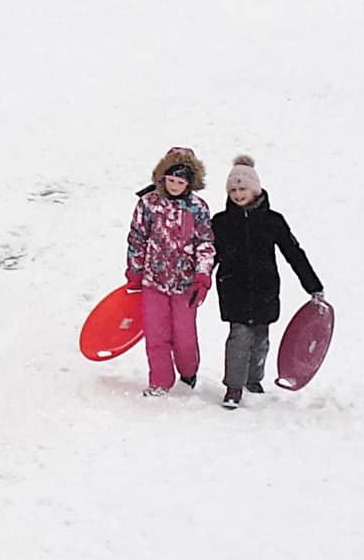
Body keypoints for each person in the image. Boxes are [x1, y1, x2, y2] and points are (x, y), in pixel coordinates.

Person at [211, 155, 324, 409]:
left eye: (243, 189)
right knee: (239, 336)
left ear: (255, 189)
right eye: (233, 190)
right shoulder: (221, 222)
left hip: (265, 289)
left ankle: (254, 379)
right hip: (233, 288)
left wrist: (313, 285)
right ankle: (233, 387)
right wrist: (198, 283)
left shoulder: (273, 221)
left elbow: (294, 253)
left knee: (261, 338)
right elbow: (210, 256)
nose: (238, 194)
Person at [124, 147, 217, 397]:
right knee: (156, 335)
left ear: (190, 182)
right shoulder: (148, 203)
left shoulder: (198, 207)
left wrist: (203, 276)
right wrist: (135, 270)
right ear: (162, 177)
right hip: (153, 281)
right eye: (171, 180)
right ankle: (160, 381)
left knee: (184, 337)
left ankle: (188, 372)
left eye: (181, 181)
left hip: (185, 285)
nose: (175, 186)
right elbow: (137, 238)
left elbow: (205, 244)